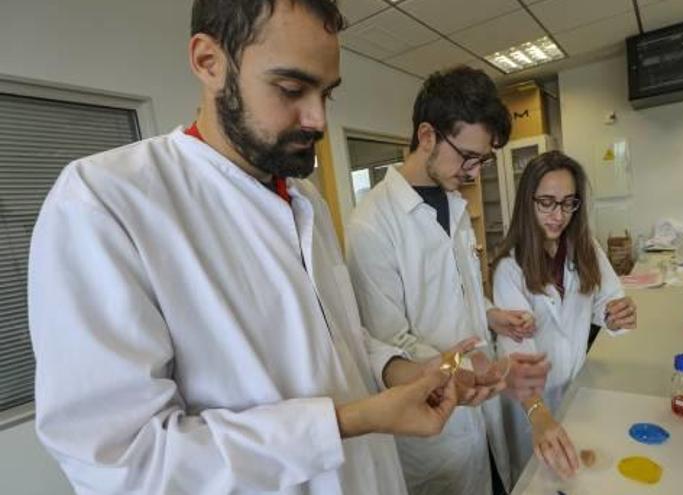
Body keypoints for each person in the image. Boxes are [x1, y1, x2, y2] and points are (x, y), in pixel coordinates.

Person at [27, 1, 496, 493]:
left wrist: (407, 372)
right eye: (291, 89)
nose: (316, 119)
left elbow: (339, 343)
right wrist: (344, 422)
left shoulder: (302, 198)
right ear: (209, 61)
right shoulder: (107, 201)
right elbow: (122, 463)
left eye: (326, 93)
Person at [345, 66, 551, 495]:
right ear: (426, 136)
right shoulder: (371, 225)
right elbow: (389, 343)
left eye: (483, 159)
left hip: (483, 412)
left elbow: (457, 294)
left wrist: (490, 316)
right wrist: (475, 368)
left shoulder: (454, 205)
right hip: (436, 433)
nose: (474, 172)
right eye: (468, 156)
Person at [491, 150, 638, 482]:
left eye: (568, 203)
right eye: (547, 202)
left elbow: (607, 302)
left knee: (578, 476)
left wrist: (616, 315)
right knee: (538, 479)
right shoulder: (509, 268)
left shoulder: (585, 248)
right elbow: (519, 355)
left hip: (576, 386)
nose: (558, 215)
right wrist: (538, 415)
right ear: (527, 202)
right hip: (531, 403)